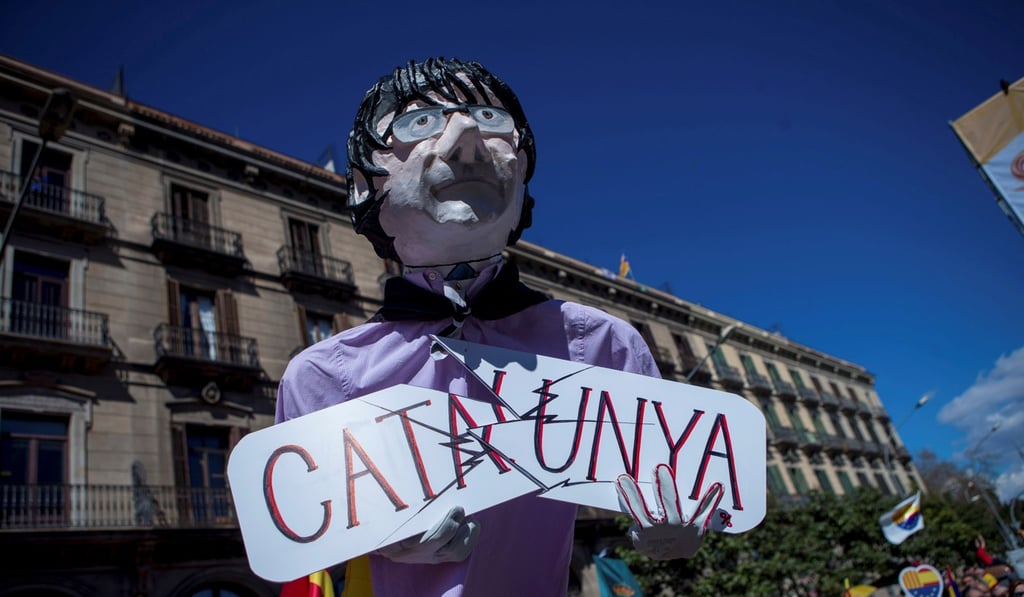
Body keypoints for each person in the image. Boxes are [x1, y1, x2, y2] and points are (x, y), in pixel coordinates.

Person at [276, 57, 721, 597]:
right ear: (363, 185)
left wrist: (677, 524)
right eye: (420, 124)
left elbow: (670, 486)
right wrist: (374, 538)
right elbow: (304, 542)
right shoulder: (319, 377)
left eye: (490, 119)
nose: (466, 139)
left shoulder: (606, 346)